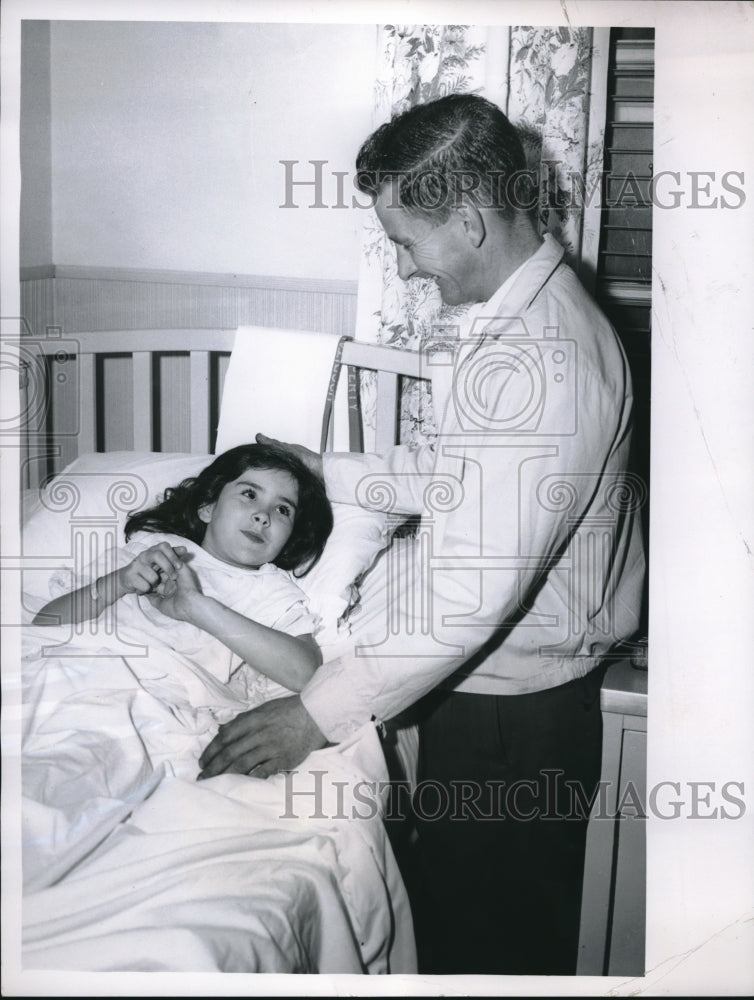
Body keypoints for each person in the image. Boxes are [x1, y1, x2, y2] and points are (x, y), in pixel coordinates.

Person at [197, 93, 646, 975]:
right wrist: (331, 471)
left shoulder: (543, 359)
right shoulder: (521, 325)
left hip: (514, 718)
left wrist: (312, 713)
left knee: (490, 950)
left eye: (407, 241)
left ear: (471, 221)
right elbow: (459, 476)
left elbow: (469, 596)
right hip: (491, 699)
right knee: (464, 926)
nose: (404, 268)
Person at [32, 440, 333, 700]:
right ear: (208, 507)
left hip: (144, 696)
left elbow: (304, 673)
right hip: (68, 668)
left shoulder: (268, 589)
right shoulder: (151, 547)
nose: (263, 516)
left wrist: (197, 608)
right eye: (250, 494)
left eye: (283, 510)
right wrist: (121, 581)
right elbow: (45, 622)